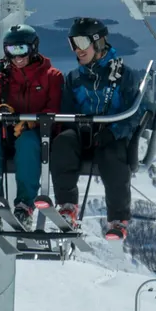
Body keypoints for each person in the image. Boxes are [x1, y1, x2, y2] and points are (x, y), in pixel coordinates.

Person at [51, 17, 145, 240]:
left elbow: (136, 112)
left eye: (82, 43)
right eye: (72, 44)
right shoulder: (74, 78)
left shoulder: (123, 76)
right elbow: (67, 112)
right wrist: (77, 127)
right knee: (63, 142)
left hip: (111, 137)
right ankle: (67, 206)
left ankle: (118, 219)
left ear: (98, 43)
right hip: (83, 136)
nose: (77, 50)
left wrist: (113, 132)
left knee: (112, 157)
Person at [0, 24, 63, 229]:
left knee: (27, 142)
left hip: (36, 136)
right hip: (6, 133)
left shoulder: (52, 76)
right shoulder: (2, 78)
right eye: (11, 51)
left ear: (33, 48)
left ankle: (24, 206)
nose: (17, 57)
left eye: (21, 49)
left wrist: (32, 122)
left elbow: (54, 111)